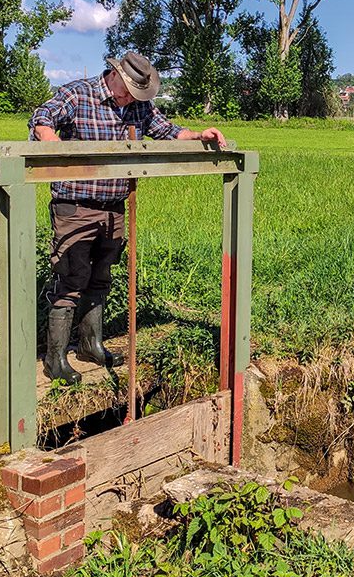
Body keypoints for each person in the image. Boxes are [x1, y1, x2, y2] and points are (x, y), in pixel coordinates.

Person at [29, 51, 226, 384]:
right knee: (72, 277)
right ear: (115, 74)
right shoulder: (79, 94)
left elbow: (168, 131)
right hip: (75, 204)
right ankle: (55, 358)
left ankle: (91, 344)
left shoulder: (139, 107)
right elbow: (42, 117)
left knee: (101, 276)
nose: (132, 98)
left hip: (113, 206)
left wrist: (197, 136)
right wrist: (51, 142)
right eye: (129, 89)